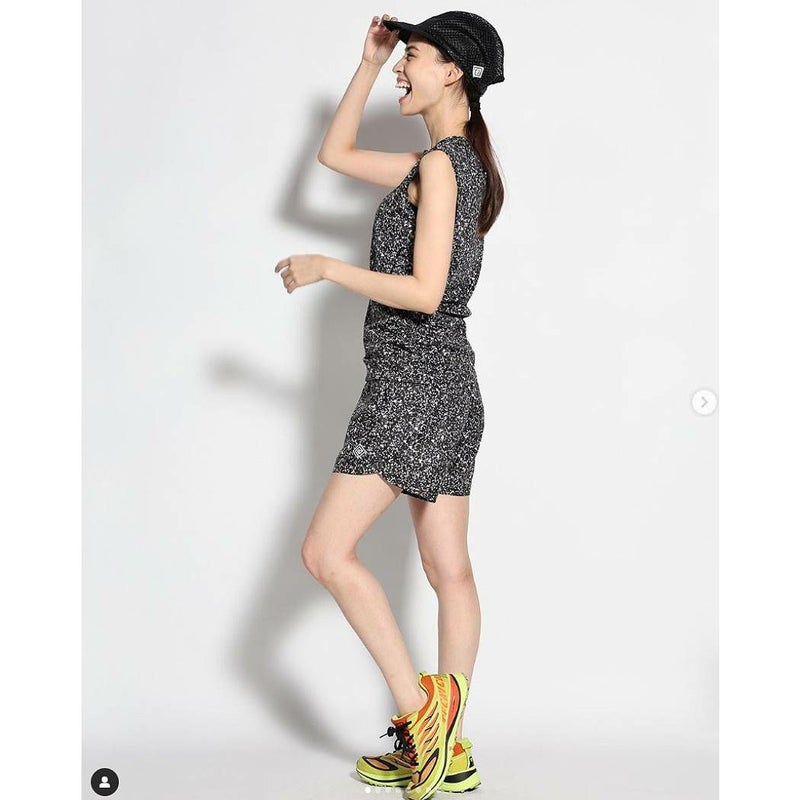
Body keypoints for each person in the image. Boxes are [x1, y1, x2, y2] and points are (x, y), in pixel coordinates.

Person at [274, 11, 505, 800]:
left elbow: (426, 291)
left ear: (454, 72)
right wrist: (368, 64)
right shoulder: (450, 163)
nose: (403, 67)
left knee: (325, 553)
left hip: (415, 388)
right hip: (446, 385)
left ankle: (422, 718)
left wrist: (329, 268)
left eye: (413, 56)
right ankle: (451, 750)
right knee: (450, 570)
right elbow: (334, 154)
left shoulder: (441, 167)